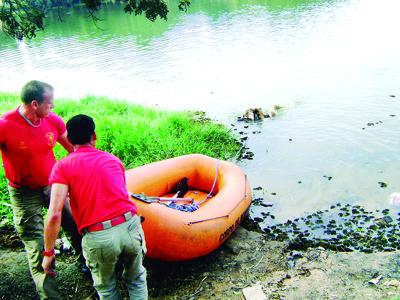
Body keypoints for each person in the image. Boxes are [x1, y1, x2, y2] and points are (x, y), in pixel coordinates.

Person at [42, 114, 148, 299]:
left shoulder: (63, 166)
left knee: (107, 288)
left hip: (99, 236)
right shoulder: (112, 159)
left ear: (69, 139)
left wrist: (48, 252)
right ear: (94, 136)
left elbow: (54, 213)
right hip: (131, 226)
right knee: (137, 279)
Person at [0, 80, 83, 299]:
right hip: (23, 192)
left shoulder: (52, 121)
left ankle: (85, 264)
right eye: (49, 103)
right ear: (34, 104)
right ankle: (50, 294)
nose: (53, 107)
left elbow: (75, 150)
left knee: (74, 223)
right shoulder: (5, 125)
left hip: (52, 186)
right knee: (36, 245)